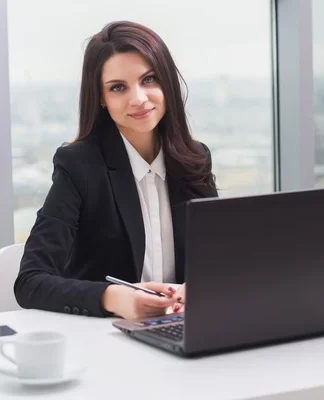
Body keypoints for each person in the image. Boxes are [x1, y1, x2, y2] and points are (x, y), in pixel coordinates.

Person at [14, 20, 218, 320]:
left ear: (167, 83)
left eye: (149, 79)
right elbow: (29, 282)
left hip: (187, 328)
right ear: (102, 99)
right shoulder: (79, 165)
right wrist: (113, 298)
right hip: (108, 340)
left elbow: (220, 258)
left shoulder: (194, 158)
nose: (138, 99)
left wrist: (202, 286)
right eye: (118, 87)